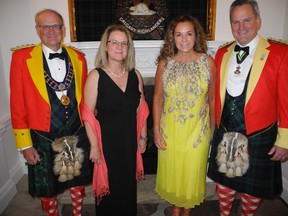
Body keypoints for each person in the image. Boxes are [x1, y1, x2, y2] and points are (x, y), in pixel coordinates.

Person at [207, 0, 288, 215]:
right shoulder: (222, 53)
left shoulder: (280, 53)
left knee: (252, 189)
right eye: (235, 22)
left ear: (258, 20)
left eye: (246, 20)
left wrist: (284, 140)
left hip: (259, 133)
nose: (241, 27)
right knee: (224, 182)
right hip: (225, 129)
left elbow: (286, 101)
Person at [10, 9, 93, 216]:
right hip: (41, 135)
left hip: (75, 133)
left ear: (63, 29)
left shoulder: (79, 58)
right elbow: (17, 103)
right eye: (45, 26)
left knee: (76, 181)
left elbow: (85, 98)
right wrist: (25, 145)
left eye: (55, 25)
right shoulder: (21, 58)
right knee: (47, 187)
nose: (51, 31)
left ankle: (77, 213)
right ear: (37, 30)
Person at [82, 24, 149, 215]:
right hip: (106, 145)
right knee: (109, 191)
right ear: (106, 46)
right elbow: (87, 115)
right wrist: (94, 146)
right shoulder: (95, 76)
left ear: (129, 48)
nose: (119, 47)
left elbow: (141, 109)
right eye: (114, 42)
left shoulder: (135, 75)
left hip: (129, 142)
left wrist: (143, 137)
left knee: (128, 188)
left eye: (124, 43)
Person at [153, 14, 216, 216]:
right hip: (169, 130)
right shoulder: (165, 63)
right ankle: (175, 208)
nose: (184, 39)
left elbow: (212, 99)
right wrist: (155, 130)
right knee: (174, 174)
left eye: (189, 34)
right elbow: (157, 98)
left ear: (196, 35)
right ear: (172, 37)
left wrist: (212, 129)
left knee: (191, 174)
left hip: (197, 131)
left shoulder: (208, 62)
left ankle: (186, 212)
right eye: (179, 34)